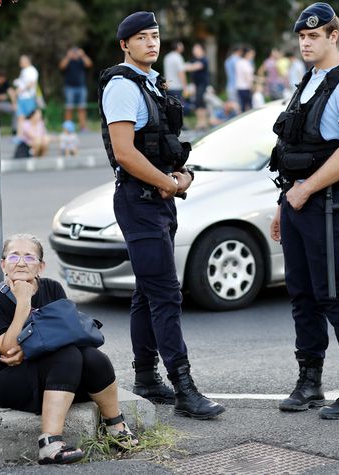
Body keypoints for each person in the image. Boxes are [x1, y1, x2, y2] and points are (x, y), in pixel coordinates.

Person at [98, 11, 225, 420]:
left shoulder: (150, 84)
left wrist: (178, 175)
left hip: (157, 198)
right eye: (141, 37)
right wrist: (168, 184)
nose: (151, 43)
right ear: (125, 45)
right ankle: (184, 388)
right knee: (166, 295)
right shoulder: (122, 85)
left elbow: (157, 145)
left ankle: (147, 377)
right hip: (141, 200)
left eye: (154, 36)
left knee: (147, 293)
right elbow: (124, 152)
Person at [268, 2, 339, 420]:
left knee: (334, 294)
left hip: (329, 201)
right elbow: (294, 150)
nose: (306, 43)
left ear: (334, 36)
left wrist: (306, 190)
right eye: (302, 36)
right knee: (302, 295)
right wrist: (285, 201)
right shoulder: (310, 80)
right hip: (299, 201)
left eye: (314, 36)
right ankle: (309, 381)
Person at [0, 234, 138, 465]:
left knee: (93, 358)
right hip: (9, 381)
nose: (21, 262)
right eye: (13, 256)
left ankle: (115, 426)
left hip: (57, 374)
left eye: (29, 257)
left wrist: (30, 348)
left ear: (41, 266)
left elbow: (70, 334)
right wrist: (24, 303)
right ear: (3, 264)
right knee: (67, 355)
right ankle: (49, 444)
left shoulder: (52, 289)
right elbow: (8, 349)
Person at [59, 46, 92, 132]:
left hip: (81, 87)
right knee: (69, 108)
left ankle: (83, 127)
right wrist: (68, 56)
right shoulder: (68, 61)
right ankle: (68, 128)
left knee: (82, 108)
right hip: (69, 87)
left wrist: (83, 55)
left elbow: (89, 64)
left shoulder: (81, 60)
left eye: (76, 52)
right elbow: (62, 66)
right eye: (73, 52)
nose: (75, 54)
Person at [185, 43, 210, 130]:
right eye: (194, 49)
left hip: (202, 84)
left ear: (201, 50)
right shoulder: (194, 59)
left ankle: (203, 122)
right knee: (197, 103)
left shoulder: (204, 59)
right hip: (195, 84)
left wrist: (190, 66)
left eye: (196, 49)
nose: (194, 51)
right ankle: (201, 123)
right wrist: (189, 66)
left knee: (200, 101)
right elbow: (187, 66)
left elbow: (194, 67)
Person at [14, 55, 40, 134]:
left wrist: (21, 89)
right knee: (20, 117)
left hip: (28, 97)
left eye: (21, 61)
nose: (20, 63)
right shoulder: (23, 71)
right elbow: (22, 81)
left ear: (27, 61)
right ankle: (19, 136)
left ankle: (33, 135)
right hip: (21, 97)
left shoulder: (32, 70)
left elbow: (32, 83)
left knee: (31, 117)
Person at [236, 46, 255, 113]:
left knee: (243, 107)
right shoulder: (245, 63)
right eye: (252, 53)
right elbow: (248, 77)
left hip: (240, 87)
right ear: (247, 53)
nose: (253, 55)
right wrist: (252, 87)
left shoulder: (240, 62)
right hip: (245, 88)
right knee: (248, 108)